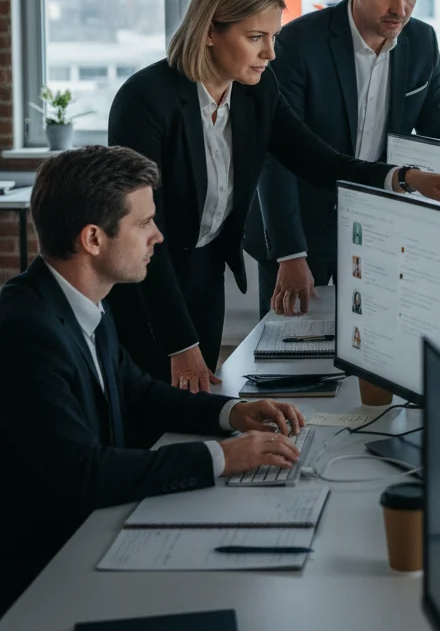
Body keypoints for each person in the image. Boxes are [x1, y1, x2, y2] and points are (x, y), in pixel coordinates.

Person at [107, 0, 440, 392]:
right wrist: (179, 342)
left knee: (193, 408)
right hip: (145, 279)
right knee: (147, 411)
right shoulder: (144, 101)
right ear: (210, 31)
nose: (271, 54)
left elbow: (319, 161)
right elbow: (144, 230)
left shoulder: (255, 91)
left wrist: (406, 177)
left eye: (273, 37)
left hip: (204, 273)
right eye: (255, 38)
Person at [0, 147, 306, 612]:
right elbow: (86, 474)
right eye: (143, 223)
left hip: (91, 535)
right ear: (93, 240)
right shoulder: (25, 331)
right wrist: (221, 458)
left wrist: (232, 413)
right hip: (45, 576)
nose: (158, 236)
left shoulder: (81, 303)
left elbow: (137, 394)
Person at [247, 0, 440, 319]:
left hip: (375, 227)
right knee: (290, 355)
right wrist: (290, 253)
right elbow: (274, 155)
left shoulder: (422, 44)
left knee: (369, 350)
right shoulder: (297, 44)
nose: (400, 8)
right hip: (301, 227)